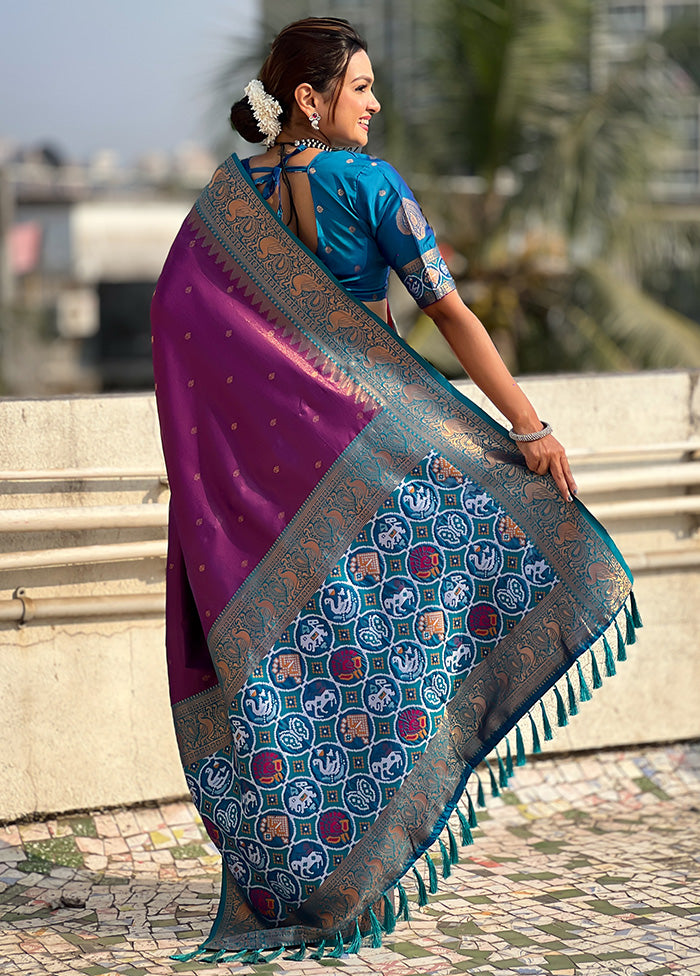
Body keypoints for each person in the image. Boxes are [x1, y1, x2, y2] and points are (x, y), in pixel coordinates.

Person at [151, 17, 638, 964]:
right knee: (397, 642)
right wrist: (528, 429)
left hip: (272, 490)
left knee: (307, 672)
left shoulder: (225, 202)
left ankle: (303, 870)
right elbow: (447, 312)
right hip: (373, 460)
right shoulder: (370, 185)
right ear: (310, 99)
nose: (376, 104)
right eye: (362, 87)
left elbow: (179, 319)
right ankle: (355, 867)